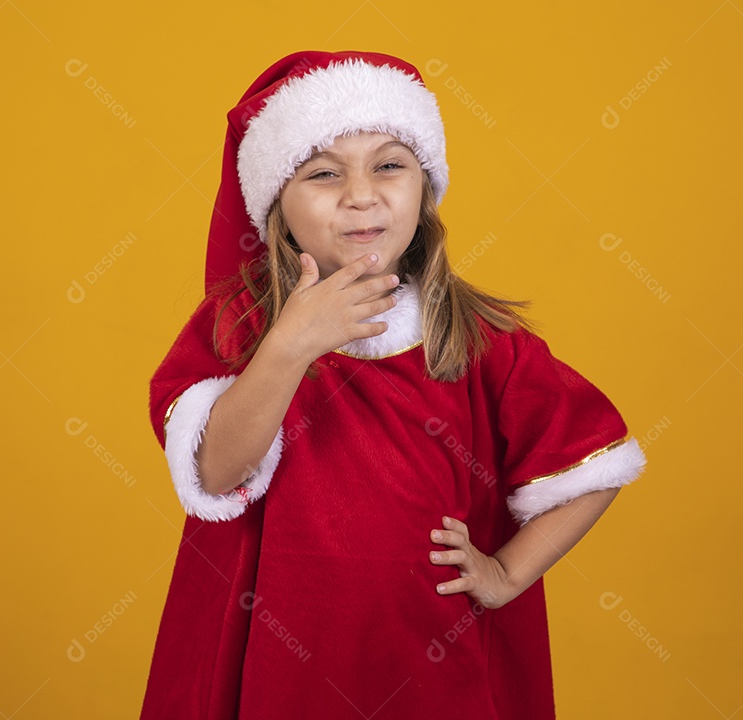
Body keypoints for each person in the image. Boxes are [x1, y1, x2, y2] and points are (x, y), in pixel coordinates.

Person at [140, 50, 647, 719]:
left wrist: (508, 573)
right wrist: (290, 346)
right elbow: (215, 472)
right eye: (323, 173)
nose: (361, 194)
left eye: (389, 164)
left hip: (431, 661)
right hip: (274, 665)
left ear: (423, 186)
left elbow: (598, 462)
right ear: (276, 204)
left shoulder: (475, 337)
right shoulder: (240, 326)